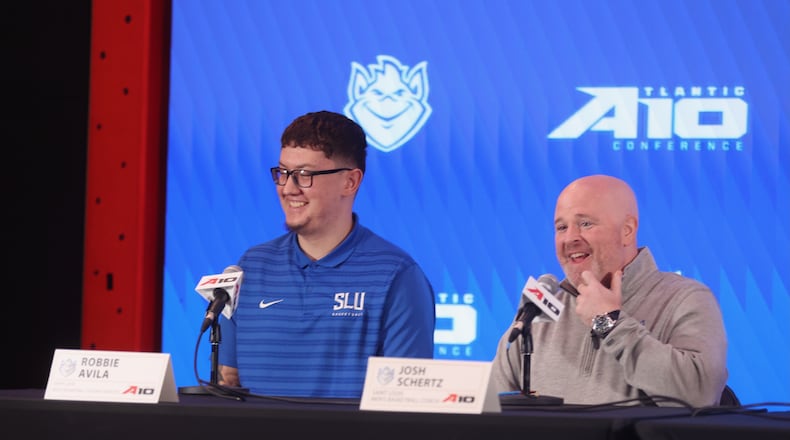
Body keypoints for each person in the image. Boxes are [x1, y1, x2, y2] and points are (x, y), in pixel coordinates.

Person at [218, 110, 436, 398]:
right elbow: (228, 384)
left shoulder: (397, 275)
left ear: (350, 182)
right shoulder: (252, 267)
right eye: (282, 173)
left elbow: (407, 403)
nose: (288, 188)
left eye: (305, 175)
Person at [490, 174, 728, 407]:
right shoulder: (541, 308)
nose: (570, 238)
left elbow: (700, 395)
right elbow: (489, 404)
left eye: (585, 224)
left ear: (627, 230)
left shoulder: (685, 298)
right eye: (561, 227)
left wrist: (608, 322)